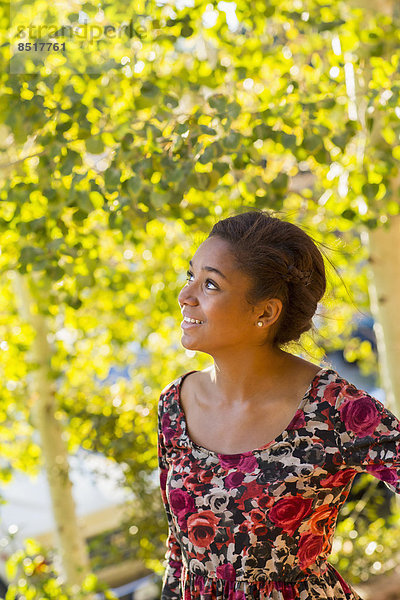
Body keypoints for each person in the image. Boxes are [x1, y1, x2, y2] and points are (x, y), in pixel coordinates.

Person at [157, 210, 400, 600]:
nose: (185, 297)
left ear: (266, 312)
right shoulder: (175, 403)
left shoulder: (333, 408)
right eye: (191, 276)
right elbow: (178, 551)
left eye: (211, 285)